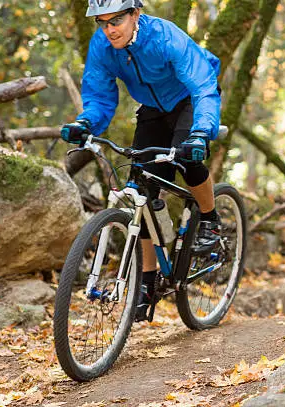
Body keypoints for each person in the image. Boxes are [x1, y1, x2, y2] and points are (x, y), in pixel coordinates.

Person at [60, 0, 222, 321]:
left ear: (135, 14)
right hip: (152, 108)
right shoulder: (103, 45)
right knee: (142, 195)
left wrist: (201, 132)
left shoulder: (164, 37)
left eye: (116, 21)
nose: (109, 30)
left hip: (189, 101)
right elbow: (99, 95)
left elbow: (202, 85)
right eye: (102, 23)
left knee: (187, 158)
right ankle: (148, 280)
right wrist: (86, 123)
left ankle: (210, 220)